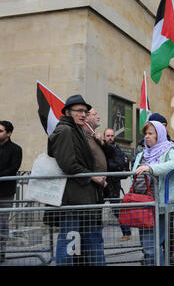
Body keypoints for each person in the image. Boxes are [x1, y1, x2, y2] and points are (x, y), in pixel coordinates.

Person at [48, 95, 107, 266]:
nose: (83, 115)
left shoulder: (77, 129)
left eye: (85, 111)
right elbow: (68, 164)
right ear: (68, 112)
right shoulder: (65, 130)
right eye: (79, 111)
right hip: (73, 199)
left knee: (87, 241)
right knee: (69, 242)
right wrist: (92, 176)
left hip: (84, 196)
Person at [133, 120, 174, 265]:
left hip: (160, 204)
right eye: (145, 134)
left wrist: (151, 169)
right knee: (148, 245)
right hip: (142, 203)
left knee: (152, 246)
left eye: (151, 134)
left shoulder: (169, 150)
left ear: (159, 135)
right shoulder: (142, 154)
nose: (146, 137)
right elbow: (134, 175)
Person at [103, 128, 131, 242]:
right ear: (104, 137)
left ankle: (126, 232)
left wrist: (111, 166)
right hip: (102, 183)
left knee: (117, 210)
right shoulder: (102, 148)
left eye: (112, 135)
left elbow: (121, 163)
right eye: (108, 136)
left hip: (113, 183)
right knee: (96, 209)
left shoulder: (117, 148)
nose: (110, 138)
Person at [0, 121, 22, 263]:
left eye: (0, 131)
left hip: (5, 192)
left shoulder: (15, 149)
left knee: (2, 224)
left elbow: (13, 168)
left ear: (9, 133)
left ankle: (1, 253)